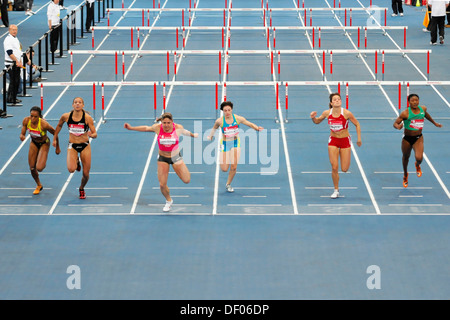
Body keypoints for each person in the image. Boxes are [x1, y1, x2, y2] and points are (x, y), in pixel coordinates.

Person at [124, 113, 199, 212]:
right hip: (163, 158)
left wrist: (193, 135)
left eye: (168, 123)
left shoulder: (178, 127)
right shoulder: (157, 128)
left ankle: (177, 174)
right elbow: (146, 128)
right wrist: (131, 128)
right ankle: (168, 201)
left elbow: (185, 132)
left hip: (175, 157)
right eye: (164, 123)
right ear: (161, 122)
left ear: (172, 122)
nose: (166, 125)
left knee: (186, 180)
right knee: (162, 185)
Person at [310, 93, 362, 199]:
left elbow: (357, 124)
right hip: (333, 141)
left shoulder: (347, 113)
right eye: (335, 99)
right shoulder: (327, 113)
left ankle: (342, 158)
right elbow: (317, 122)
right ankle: (336, 190)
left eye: (339, 99)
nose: (337, 101)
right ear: (331, 103)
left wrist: (359, 138)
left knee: (344, 169)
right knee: (334, 167)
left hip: (344, 141)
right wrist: (313, 118)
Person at [207, 101, 264, 193]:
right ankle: (225, 157)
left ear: (232, 109)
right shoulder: (219, 121)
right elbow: (214, 128)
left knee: (233, 166)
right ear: (223, 111)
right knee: (224, 169)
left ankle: (228, 184)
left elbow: (249, 123)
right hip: (225, 144)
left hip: (235, 143)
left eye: (229, 110)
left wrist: (257, 128)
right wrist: (211, 136)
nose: (227, 112)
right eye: (225, 110)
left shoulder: (238, 118)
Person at [393, 94, 442, 188]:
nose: (415, 102)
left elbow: (426, 115)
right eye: (412, 100)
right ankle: (405, 175)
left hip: (418, 138)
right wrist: (398, 126)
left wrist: (434, 123)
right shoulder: (405, 113)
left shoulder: (423, 109)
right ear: (409, 102)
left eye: (416, 100)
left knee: (419, 158)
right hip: (407, 139)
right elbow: (395, 123)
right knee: (406, 157)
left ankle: (417, 164)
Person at [52, 97, 97, 199]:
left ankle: (81, 188)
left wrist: (91, 135)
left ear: (83, 105)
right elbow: (59, 126)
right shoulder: (66, 116)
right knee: (71, 169)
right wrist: (54, 139)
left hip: (85, 145)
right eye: (75, 102)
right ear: (72, 105)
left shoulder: (87, 118)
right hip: (72, 145)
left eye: (80, 102)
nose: (77, 104)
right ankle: (76, 161)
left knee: (85, 174)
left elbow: (95, 134)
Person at [20, 106, 61, 195]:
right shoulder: (26, 120)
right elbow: (23, 132)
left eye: (35, 116)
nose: (32, 118)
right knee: (32, 167)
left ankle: (42, 158)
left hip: (44, 143)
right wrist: (22, 135)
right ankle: (39, 185)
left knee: (40, 168)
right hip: (34, 143)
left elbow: (55, 133)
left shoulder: (44, 124)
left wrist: (57, 146)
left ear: (39, 117)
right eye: (31, 116)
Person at [3, 25, 23, 105]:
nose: (15, 31)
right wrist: (16, 61)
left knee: (16, 81)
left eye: (16, 30)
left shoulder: (15, 38)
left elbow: (18, 51)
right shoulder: (8, 40)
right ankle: (10, 98)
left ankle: (14, 97)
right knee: (13, 81)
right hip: (11, 63)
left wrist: (20, 61)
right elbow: (9, 52)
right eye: (13, 30)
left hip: (16, 63)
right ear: (9, 30)